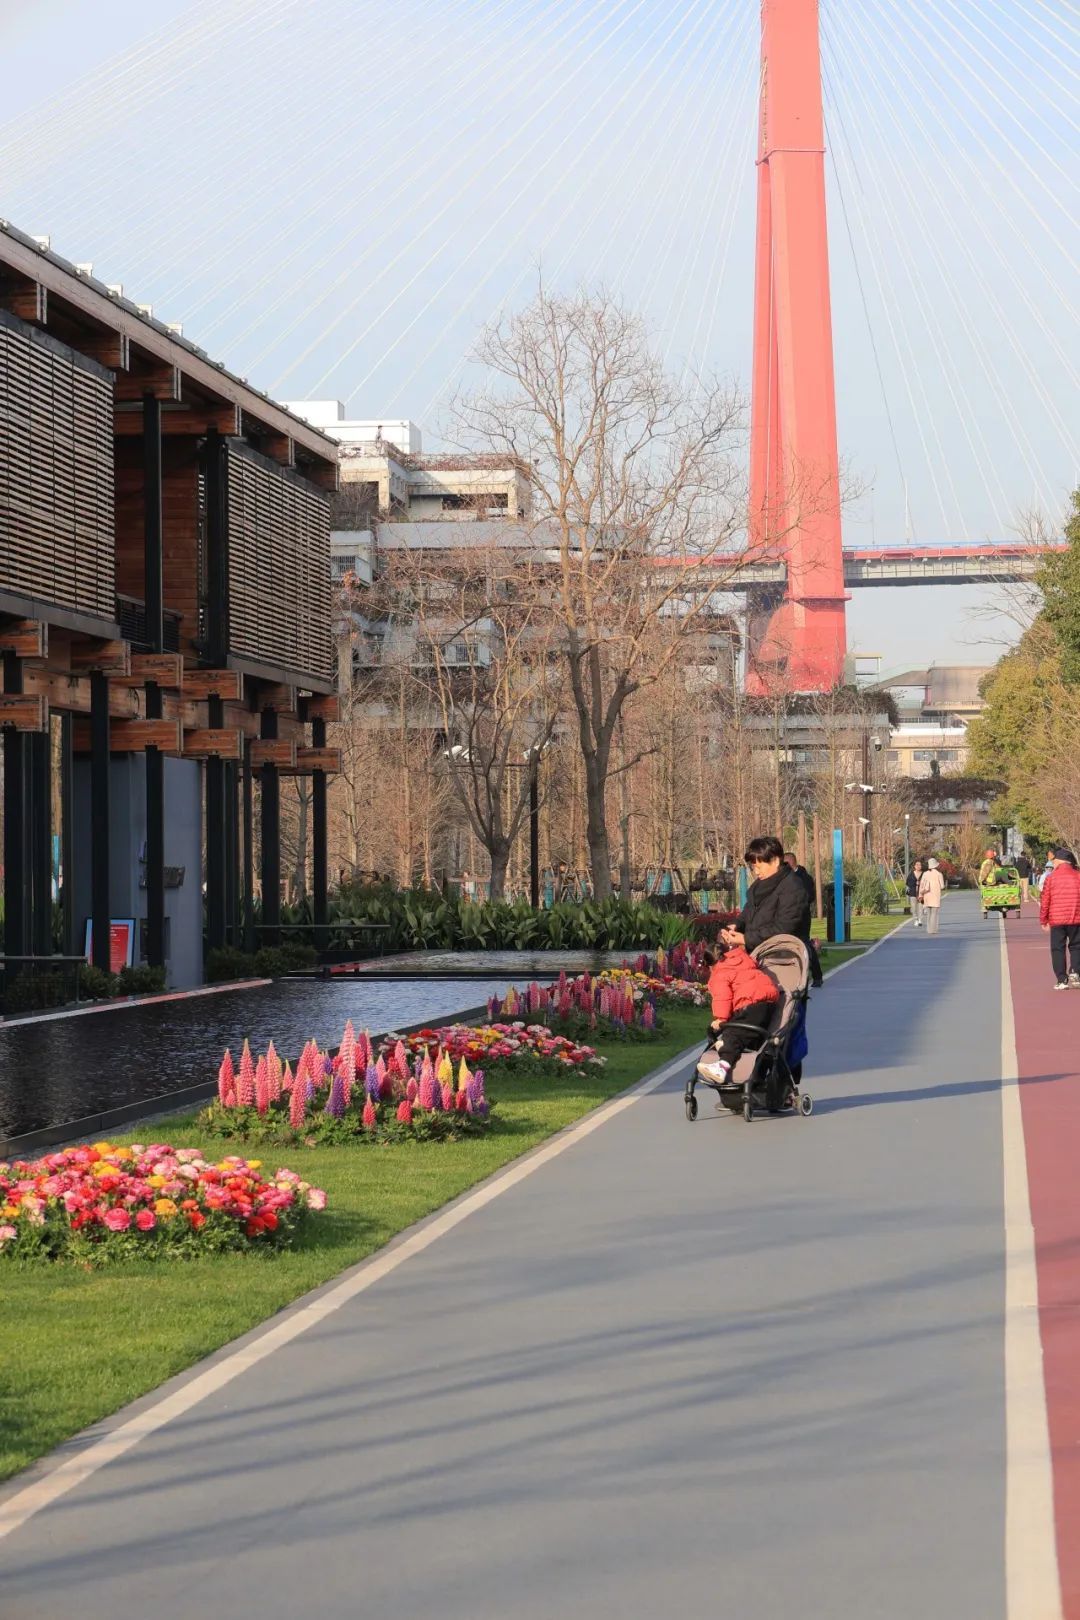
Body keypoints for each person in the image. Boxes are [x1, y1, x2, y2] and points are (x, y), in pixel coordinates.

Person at [697, 943, 780, 1086]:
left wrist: (720, 1019)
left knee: (733, 1034)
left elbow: (723, 997)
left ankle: (722, 1067)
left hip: (749, 1004)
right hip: (768, 1004)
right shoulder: (743, 960)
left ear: (710, 965)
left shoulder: (720, 973)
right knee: (750, 1035)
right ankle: (755, 1075)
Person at [722, 836, 811, 953]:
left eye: (759, 867)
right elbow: (748, 912)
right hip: (758, 951)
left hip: (783, 956)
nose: (756, 872)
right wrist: (735, 926)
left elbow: (783, 928)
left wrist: (746, 939)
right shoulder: (758, 885)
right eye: (753, 867)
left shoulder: (793, 887)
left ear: (775, 861)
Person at [1039, 847, 1080, 989]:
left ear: (1060, 861)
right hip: (1076, 918)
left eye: (1054, 861)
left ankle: (1062, 980)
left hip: (1057, 919)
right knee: (1076, 946)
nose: (1053, 864)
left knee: (1058, 949)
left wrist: (1043, 920)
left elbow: (1045, 901)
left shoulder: (1051, 878)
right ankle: (1075, 971)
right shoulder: (1078, 876)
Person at [783, 852, 824, 987]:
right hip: (788, 916)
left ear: (790, 862)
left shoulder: (804, 877)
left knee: (805, 944)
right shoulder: (786, 877)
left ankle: (817, 976)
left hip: (802, 917)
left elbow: (809, 896)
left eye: (784, 863)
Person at [918, 857, 946, 934]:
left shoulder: (925, 874)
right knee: (934, 914)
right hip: (935, 896)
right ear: (936, 865)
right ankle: (933, 930)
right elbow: (942, 886)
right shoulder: (939, 874)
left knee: (929, 913)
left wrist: (920, 894)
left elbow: (921, 885)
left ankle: (928, 929)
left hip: (927, 896)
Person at [907, 859, 924, 926]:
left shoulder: (923, 874)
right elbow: (908, 883)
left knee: (921, 907)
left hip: (921, 893)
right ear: (914, 866)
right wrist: (915, 883)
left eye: (920, 865)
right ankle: (915, 919)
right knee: (913, 907)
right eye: (917, 865)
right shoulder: (911, 874)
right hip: (913, 893)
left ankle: (920, 920)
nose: (918, 866)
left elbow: (926, 883)